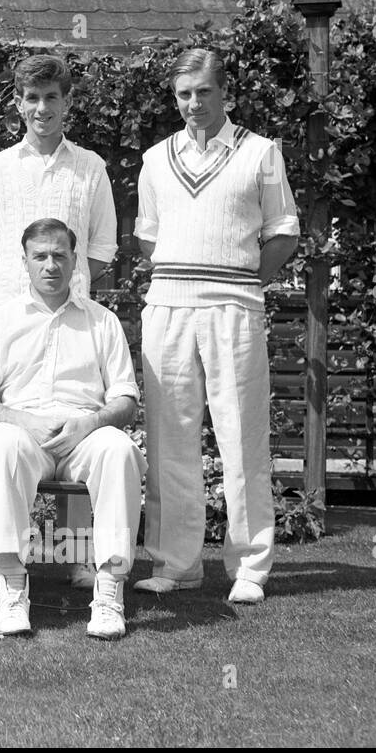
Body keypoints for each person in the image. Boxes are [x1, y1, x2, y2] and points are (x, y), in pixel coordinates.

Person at [134, 48, 299, 605]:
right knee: (169, 441)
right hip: (168, 308)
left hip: (235, 310)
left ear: (223, 92)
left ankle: (250, 565)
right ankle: (176, 564)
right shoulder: (157, 158)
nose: (194, 103)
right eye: (184, 93)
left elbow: (284, 233)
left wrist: (241, 280)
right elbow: (149, 236)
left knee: (240, 437)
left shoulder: (261, 153)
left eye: (204, 91)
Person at [0, 53, 119, 589]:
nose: (41, 108)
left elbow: (101, 246)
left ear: (67, 102)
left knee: (76, 416)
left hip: (74, 316)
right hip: (12, 322)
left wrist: (69, 289)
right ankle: (1, 553)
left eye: (51, 98)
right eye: (31, 98)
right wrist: (20, 302)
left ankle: (78, 556)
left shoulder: (91, 168)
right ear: (18, 103)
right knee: (11, 432)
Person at [0, 218, 144, 640]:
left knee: (118, 449)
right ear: (25, 261)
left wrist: (91, 422)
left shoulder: (101, 322)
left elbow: (126, 400)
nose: (51, 265)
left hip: (85, 432)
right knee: (3, 444)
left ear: (75, 259)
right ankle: (12, 587)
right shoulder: (0, 321)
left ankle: (108, 590)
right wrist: (21, 419)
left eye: (59, 255)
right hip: (23, 428)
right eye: (40, 256)